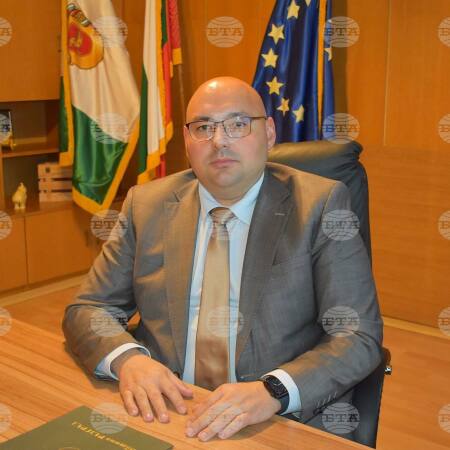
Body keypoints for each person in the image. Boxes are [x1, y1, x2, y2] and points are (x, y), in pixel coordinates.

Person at [63, 76, 383, 442]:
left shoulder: (320, 206)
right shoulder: (145, 205)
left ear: (269, 134)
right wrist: (128, 360)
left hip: (273, 422)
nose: (219, 141)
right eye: (203, 127)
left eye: (238, 124)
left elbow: (357, 335)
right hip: (168, 410)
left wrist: (273, 391)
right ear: (187, 142)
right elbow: (89, 308)